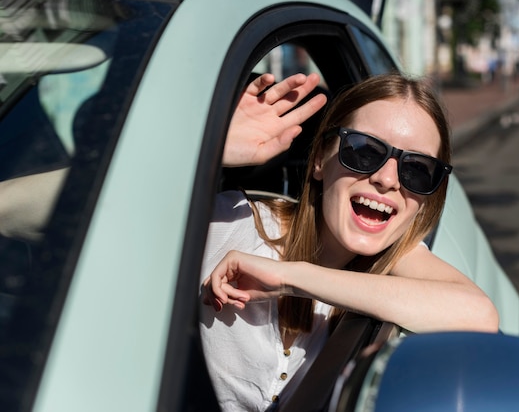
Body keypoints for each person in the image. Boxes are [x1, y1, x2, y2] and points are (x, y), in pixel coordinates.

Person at [199, 72, 499, 411]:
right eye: (363, 150)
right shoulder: (231, 223)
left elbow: (479, 315)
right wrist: (207, 151)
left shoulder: (395, 257)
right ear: (318, 161)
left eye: (417, 169)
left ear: (428, 199)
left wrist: (289, 278)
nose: (387, 179)